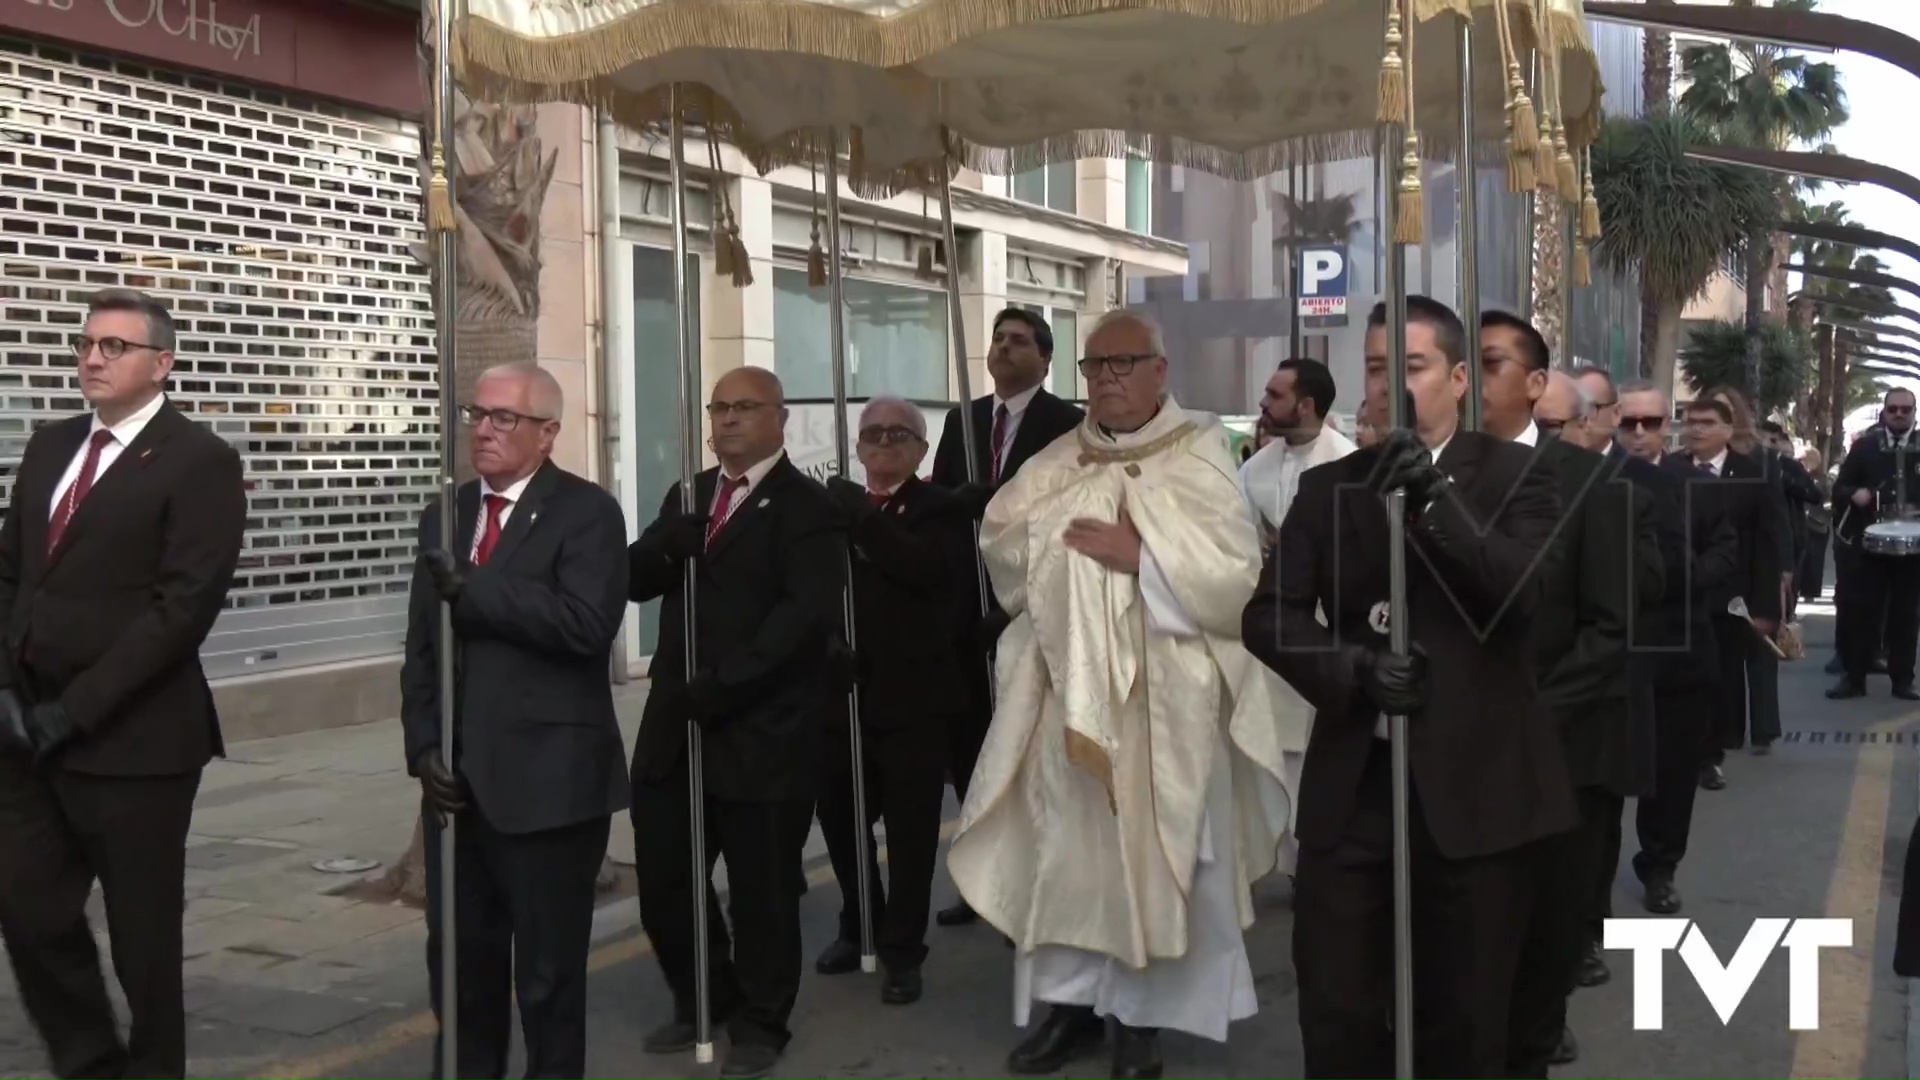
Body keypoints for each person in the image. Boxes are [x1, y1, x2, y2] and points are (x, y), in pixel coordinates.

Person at [946, 308, 1297, 1080]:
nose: (1105, 379)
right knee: (1064, 856)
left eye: (1122, 364)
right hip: (1065, 700)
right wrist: (1059, 541)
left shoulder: (1200, 452)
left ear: (1159, 371)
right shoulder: (1057, 457)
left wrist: (1146, 556)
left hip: (1163, 702)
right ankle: (1069, 1010)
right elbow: (1002, 539)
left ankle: (1141, 1021)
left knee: (1154, 860)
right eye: (1094, 367)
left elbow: (1238, 578)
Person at [1244, 296, 1570, 1080]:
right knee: (1339, 1010)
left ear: (1460, 379)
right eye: (1378, 367)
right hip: (1357, 791)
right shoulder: (1330, 490)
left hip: (1479, 798)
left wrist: (1432, 501)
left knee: (1463, 1019)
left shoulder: (1520, 478)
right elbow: (1269, 616)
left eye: (1412, 368)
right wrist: (1352, 669)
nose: (1389, 385)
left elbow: (1520, 595)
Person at [0, 288, 246, 1080]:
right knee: (27, 906)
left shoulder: (199, 460)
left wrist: (75, 712)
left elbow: (179, 613)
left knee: (144, 942)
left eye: (114, 347)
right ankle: (91, 1061)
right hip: (28, 733)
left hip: (134, 741)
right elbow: (13, 575)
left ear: (161, 363)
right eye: (86, 345)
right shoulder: (49, 446)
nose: (93, 359)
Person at [400, 361, 631, 1080]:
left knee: (547, 976)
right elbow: (421, 651)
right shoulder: (448, 512)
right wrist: (425, 746)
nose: (485, 430)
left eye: (505, 419)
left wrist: (477, 589)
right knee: (461, 972)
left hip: (549, 790)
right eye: (478, 414)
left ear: (548, 433)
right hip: (458, 791)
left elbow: (586, 625)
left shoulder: (587, 512)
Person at [627, 366, 846, 1080]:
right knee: (665, 876)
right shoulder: (689, 495)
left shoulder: (804, 506)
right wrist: (664, 545)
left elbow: (802, 618)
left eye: (743, 408)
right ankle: (704, 995)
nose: (726, 420)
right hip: (675, 724)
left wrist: (728, 686)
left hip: (760, 727)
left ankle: (761, 1019)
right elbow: (632, 580)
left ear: (780, 418)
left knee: (762, 886)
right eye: (718, 408)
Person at [1489, 349, 1640, 1077]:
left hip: (1567, 732)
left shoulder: (1602, 488)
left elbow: (1612, 622)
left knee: (1553, 899)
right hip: (1464, 747)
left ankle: (1541, 1016)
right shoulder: (1439, 481)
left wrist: (1532, 713)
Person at [812, 396, 974, 1005]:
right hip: (841, 697)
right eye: (871, 433)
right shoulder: (829, 509)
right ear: (856, 446)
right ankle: (860, 925)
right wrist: (826, 643)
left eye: (897, 434)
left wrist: (867, 521)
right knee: (843, 822)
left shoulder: (940, 509)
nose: (882, 442)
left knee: (909, 837)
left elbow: (926, 572)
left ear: (921, 448)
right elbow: (811, 587)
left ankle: (904, 950)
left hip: (915, 700)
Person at [929, 307, 1084, 929]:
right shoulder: (962, 421)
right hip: (963, 609)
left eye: (1019, 341)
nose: (1003, 348)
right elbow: (939, 501)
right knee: (972, 745)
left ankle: (1035, 879)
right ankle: (983, 874)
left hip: (1028, 609)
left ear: (1045, 359)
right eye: (997, 338)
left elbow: (1067, 517)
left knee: (1026, 745)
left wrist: (1012, 602)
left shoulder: (1067, 425)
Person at [1829, 387, 1920, 701]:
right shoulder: (1865, 447)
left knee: (1906, 615)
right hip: (1869, 544)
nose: (1898, 414)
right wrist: (1854, 494)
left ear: (1914, 412)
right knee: (1860, 612)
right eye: (1892, 409)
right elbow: (1839, 488)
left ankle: (1903, 680)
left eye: (1905, 410)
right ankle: (1853, 678)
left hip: (1913, 547)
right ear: (1884, 411)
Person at [1238, 357, 1356, 548]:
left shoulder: (1348, 465)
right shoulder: (1254, 467)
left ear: (1306, 406)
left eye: (1275, 396)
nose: (1263, 403)